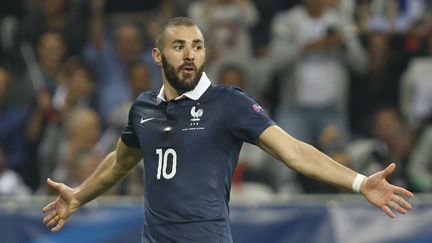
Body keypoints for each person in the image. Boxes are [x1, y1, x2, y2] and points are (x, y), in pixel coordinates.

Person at [42, 17, 414, 243]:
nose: (190, 55)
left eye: (198, 47)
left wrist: (360, 183)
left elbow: (294, 152)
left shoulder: (228, 103)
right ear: (158, 56)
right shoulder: (143, 108)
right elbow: (119, 163)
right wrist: (78, 196)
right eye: (179, 46)